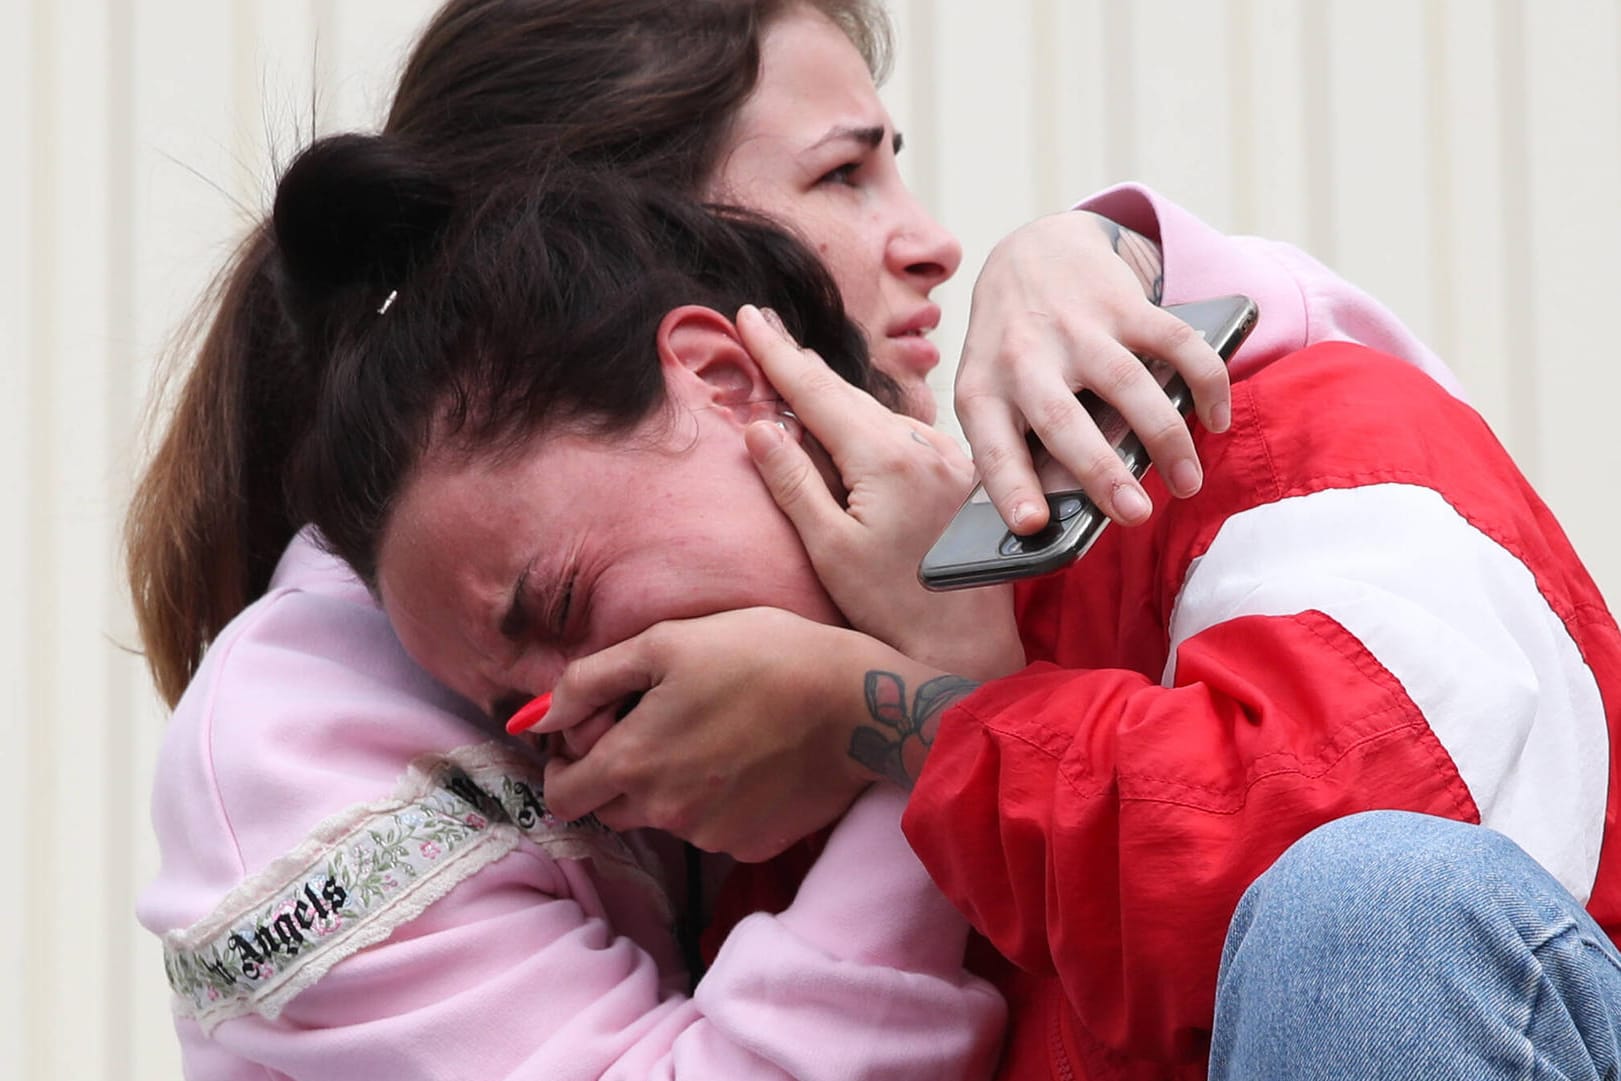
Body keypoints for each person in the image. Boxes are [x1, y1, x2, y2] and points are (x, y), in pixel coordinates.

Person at [511, 188, 1621, 1077]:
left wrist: (893, 712)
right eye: (839, 175)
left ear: (723, 377)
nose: (932, 245)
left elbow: (1355, 918)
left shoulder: (1273, 436)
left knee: (1374, 907)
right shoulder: (751, 839)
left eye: (561, 605)